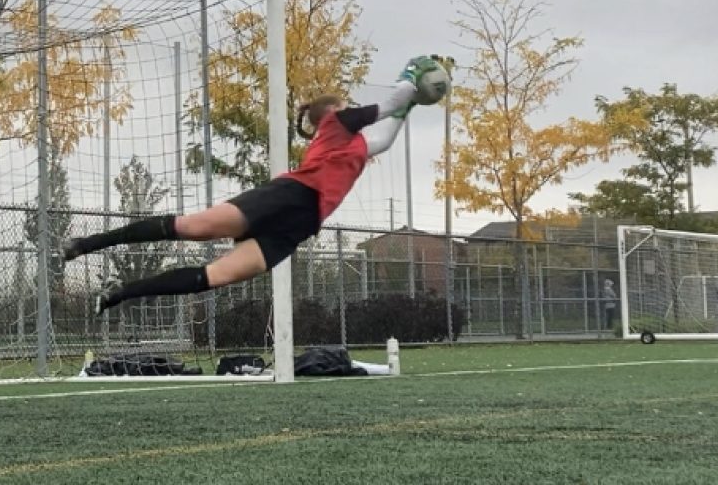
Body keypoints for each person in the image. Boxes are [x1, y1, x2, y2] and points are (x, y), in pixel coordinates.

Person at [61, 55, 453, 315]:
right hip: (284, 198)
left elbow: (385, 134)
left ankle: (119, 293)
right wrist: (412, 76)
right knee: (192, 228)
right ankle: (85, 244)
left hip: (297, 227)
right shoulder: (335, 125)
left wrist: (412, 104)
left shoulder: (355, 147)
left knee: (215, 277)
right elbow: (387, 104)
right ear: (327, 116)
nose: (347, 108)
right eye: (342, 105)